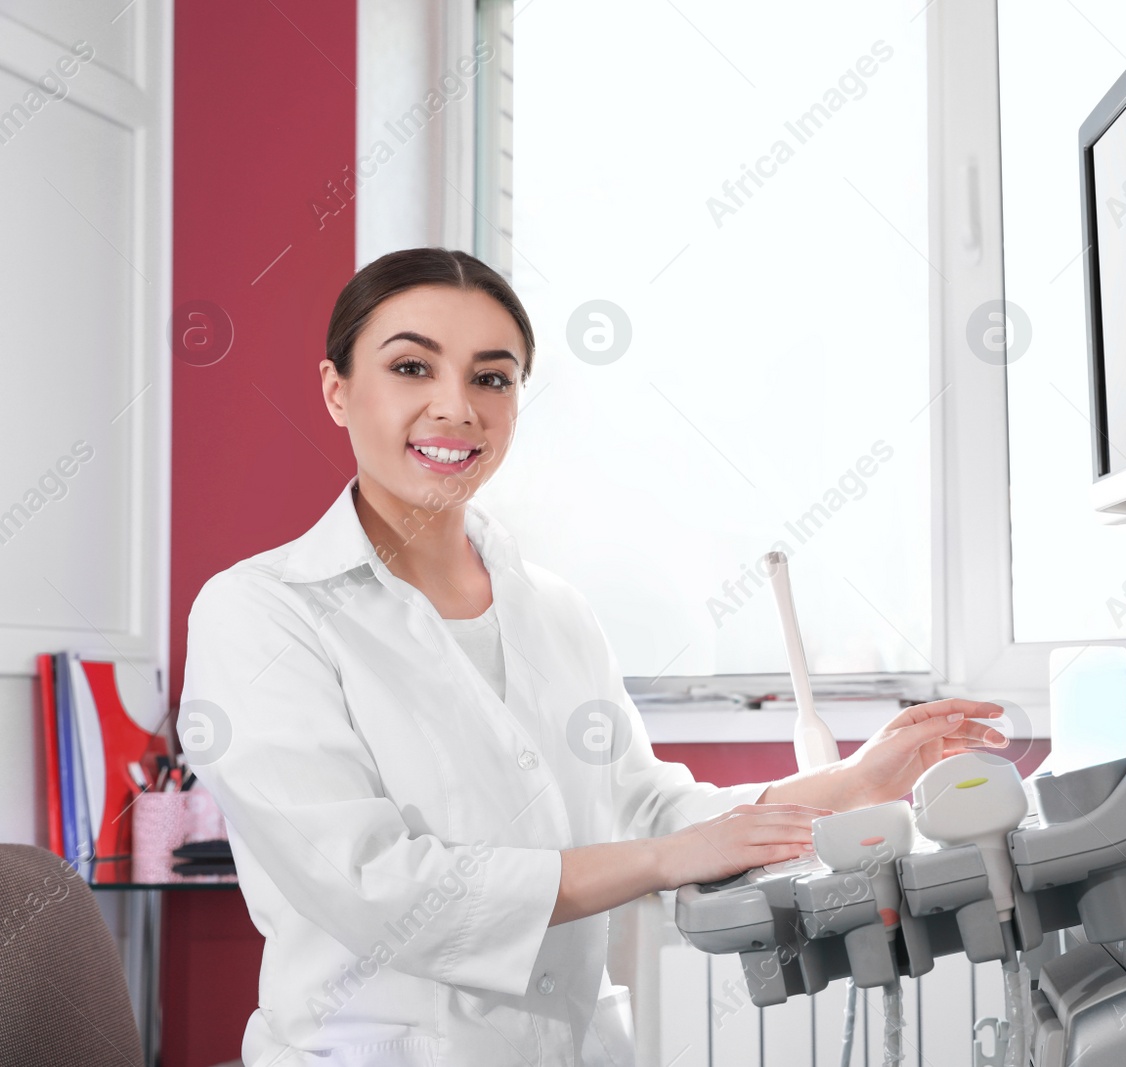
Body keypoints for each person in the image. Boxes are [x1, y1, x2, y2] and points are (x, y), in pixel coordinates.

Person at [178, 247, 1006, 1066]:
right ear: (336, 390)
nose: (455, 407)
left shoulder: (555, 611)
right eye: (411, 368)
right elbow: (377, 886)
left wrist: (853, 782)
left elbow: (648, 809)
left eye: (491, 378)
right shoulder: (262, 612)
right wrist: (660, 860)